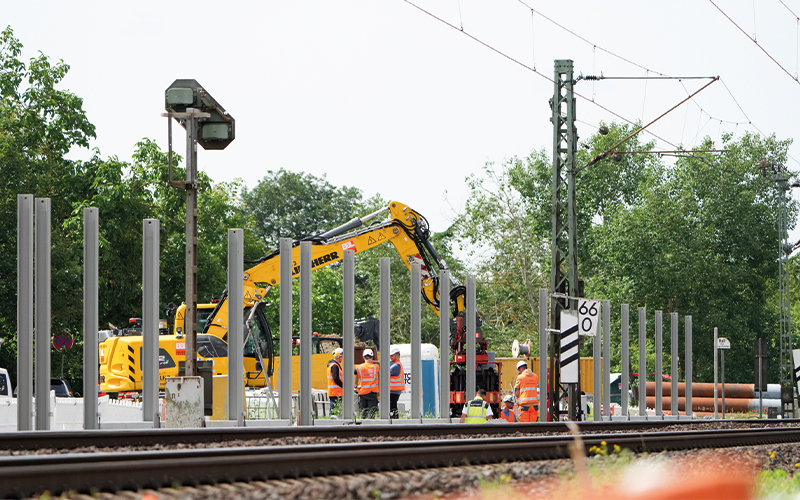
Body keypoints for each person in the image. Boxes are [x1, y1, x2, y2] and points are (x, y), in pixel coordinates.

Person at [356, 348, 379, 418]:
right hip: (373, 394)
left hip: (362, 393)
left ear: (363, 357)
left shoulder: (359, 367)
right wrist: (374, 361)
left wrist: (356, 386)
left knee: (363, 414)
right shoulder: (376, 366)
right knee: (372, 414)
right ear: (372, 357)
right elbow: (383, 363)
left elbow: (349, 377)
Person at [327, 347, 344, 414]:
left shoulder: (332, 365)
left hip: (334, 392)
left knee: (334, 410)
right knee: (334, 411)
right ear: (340, 357)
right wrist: (344, 386)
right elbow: (336, 379)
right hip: (336, 393)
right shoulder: (334, 366)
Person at [389, 345, 404, 418]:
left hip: (393, 391)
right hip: (395, 390)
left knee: (392, 408)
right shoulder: (398, 365)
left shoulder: (395, 366)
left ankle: (394, 421)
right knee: (393, 407)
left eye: (392, 356)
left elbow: (385, 376)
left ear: (397, 355)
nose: (390, 357)